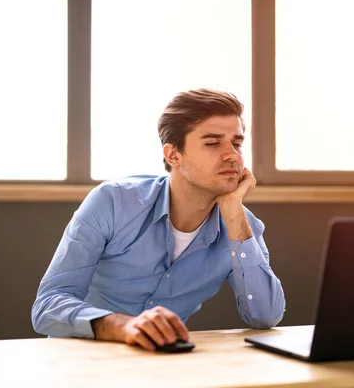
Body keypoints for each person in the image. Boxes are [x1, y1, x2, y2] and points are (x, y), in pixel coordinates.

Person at [31, 88, 286, 351]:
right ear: (173, 155)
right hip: (79, 361)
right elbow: (48, 305)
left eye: (237, 143)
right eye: (212, 142)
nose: (232, 155)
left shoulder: (241, 226)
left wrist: (234, 210)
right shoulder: (113, 202)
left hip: (160, 366)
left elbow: (265, 316)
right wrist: (122, 326)